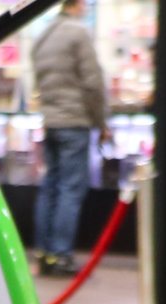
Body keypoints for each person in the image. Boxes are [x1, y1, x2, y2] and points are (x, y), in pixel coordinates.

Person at [31, 0, 109, 274]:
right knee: (69, 189)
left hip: (50, 121)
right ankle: (62, 255)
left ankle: (44, 253)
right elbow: (93, 82)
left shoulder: (43, 36)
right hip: (74, 121)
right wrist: (102, 121)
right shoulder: (78, 32)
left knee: (50, 185)